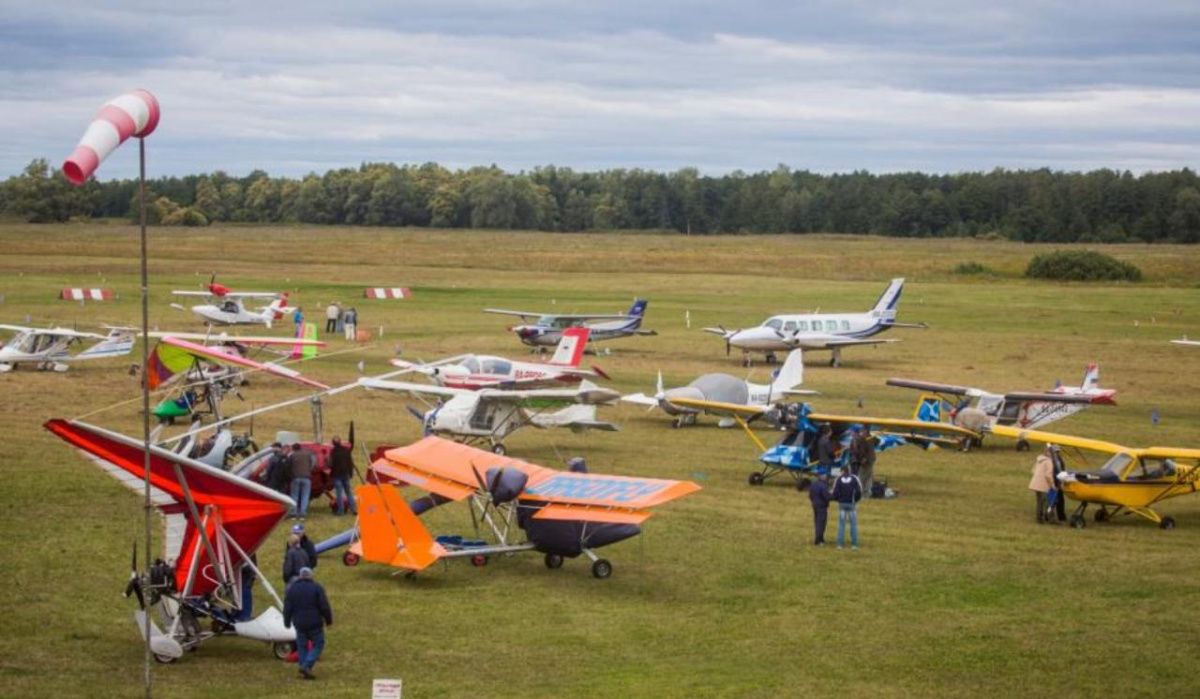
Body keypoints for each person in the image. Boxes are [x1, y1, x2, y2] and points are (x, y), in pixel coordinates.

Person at [283, 567, 333, 680]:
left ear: (300, 576)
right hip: (315, 623)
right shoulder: (317, 588)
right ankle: (306, 666)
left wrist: (286, 621)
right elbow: (324, 606)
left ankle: (304, 668)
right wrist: (328, 621)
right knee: (318, 644)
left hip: (299, 623)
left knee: (302, 646)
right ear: (311, 576)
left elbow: (287, 608)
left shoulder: (292, 589)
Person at [832, 468, 863, 549]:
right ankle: (854, 544)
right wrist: (856, 500)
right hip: (852, 504)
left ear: (842, 471)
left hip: (842, 504)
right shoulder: (854, 478)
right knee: (853, 525)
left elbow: (835, 492)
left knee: (841, 525)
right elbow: (859, 491)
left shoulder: (838, 479)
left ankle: (839, 544)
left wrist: (838, 499)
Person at [329, 436, 356, 516]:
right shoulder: (346, 451)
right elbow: (350, 463)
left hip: (336, 475)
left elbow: (330, 464)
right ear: (340, 442)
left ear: (333, 443)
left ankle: (341, 511)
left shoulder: (333, 452)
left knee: (339, 494)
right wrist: (350, 473)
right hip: (345, 474)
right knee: (349, 493)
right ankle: (353, 509)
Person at [288, 442, 316, 518]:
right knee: (305, 496)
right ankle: (303, 512)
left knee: (294, 495)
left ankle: (294, 512)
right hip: (306, 477)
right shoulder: (308, 454)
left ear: (293, 449)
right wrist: (309, 470)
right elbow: (313, 463)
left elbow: (289, 465)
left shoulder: (292, 455)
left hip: (295, 477)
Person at [1029, 445, 1056, 523]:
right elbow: (1048, 475)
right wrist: (1052, 485)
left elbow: (1033, 470)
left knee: (1039, 502)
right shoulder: (1049, 462)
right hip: (1042, 485)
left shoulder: (1039, 460)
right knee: (1046, 502)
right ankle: (1045, 518)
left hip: (1035, 484)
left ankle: (1039, 517)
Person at [849, 426, 877, 497]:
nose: (850, 433)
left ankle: (862, 492)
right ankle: (865, 492)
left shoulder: (865, 439)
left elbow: (864, 451)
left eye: (862, 431)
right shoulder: (859, 439)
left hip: (866, 461)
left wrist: (864, 459)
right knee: (866, 476)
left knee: (863, 476)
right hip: (862, 460)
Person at [808, 473, 832, 546]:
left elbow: (810, 495)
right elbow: (827, 496)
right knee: (821, 523)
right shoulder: (823, 486)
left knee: (817, 522)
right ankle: (818, 540)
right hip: (822, 506)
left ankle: (820, 538)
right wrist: (833, 496)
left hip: (815, 505)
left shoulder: (813, 485)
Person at [235, 553, 258, 622]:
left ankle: (239, 615)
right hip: (243, 566)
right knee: (244, 590)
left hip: (244, 564)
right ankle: (243, 616)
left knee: (240, 589)